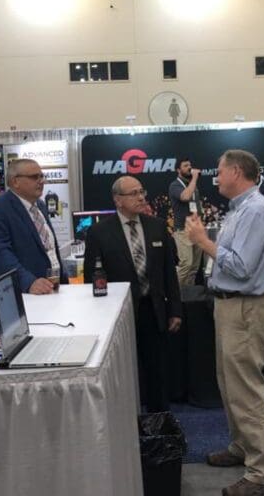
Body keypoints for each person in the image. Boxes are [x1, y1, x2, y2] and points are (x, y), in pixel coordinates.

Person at [185, 149, 264, 496]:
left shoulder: (255, 211)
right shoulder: (241, 210)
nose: (216, 178)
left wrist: (202, 242)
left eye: (221, 172)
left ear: (237, 172)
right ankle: (242, 447)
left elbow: (240, 266)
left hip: (244, 308)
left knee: (246, 389)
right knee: (230, 385)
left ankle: (262, 472)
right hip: (230, 306)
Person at [83, 176, 182, 412]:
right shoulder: (99, 232)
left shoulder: (157, 226)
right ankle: (127, 422)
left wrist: (175, 310)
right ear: (118, 200)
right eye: (133, 193)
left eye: (142, 192)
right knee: (123, 372)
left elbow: (169, 272)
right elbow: (92, 278)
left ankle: (160, 423)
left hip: (153, 310)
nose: (141, 197)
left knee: (156, 371)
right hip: (119, 314)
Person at [0, 159, 65, 294]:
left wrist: (63, 281)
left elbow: (50, 249)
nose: (41, 181)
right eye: (34, 177)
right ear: (15, 182)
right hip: (22, 295)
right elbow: (0, 254)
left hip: (51, 290)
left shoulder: (41, 206)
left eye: (42, 176)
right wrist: (28, 282)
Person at [168, 157, 202, 286]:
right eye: (185, 166)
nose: (189, 167)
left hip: (195, 230)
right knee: (186, 264)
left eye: (190, 165)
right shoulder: (175, 185)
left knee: (194, 267)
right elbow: (185, 197)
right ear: (178, 170)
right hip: (182, 230)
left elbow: (196, 205)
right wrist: (194, 178)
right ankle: (173, 292)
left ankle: (188, 295)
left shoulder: (191, 185)